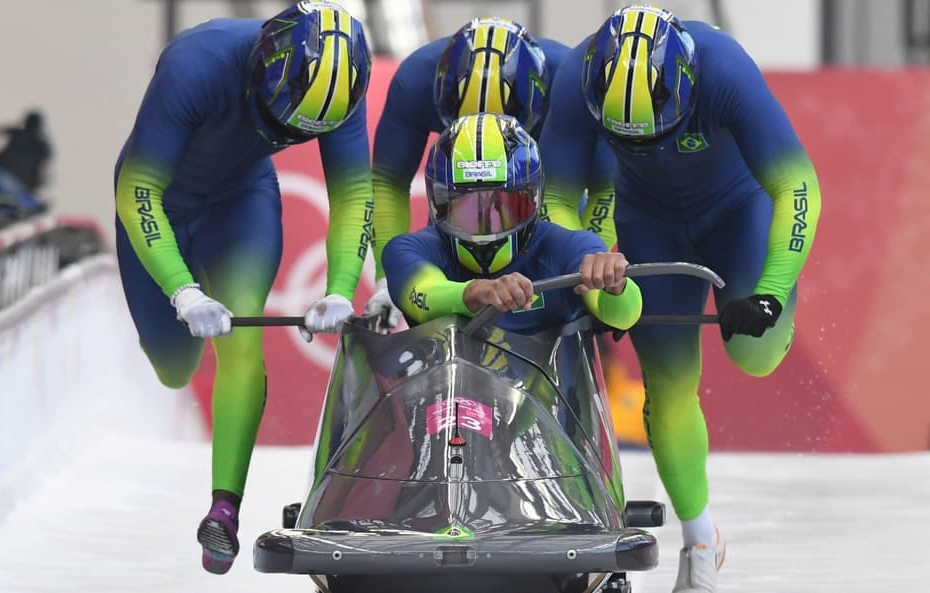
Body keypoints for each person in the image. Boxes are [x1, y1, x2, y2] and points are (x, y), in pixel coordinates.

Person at [536, 5, 822, 592]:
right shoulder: (577, 75)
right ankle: (700, 540)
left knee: (755, 351)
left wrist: (768, 292)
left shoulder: (722, 68)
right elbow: (556, 203)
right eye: (625, 136)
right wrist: (591, 252)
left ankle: (773, 307)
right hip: (646, 219)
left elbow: (796, 184)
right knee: (667, 386)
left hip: (738, 209)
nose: (646, 142)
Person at [113, 1, 372, 574]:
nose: (281, 134)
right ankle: (171, 317)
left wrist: (340, 286)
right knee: (174, 367)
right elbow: (138, 189)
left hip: (241, 203)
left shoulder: (342, 86)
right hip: (158, 202)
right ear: (260, 67)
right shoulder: (195, 65)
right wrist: (182, 289)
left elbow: (354, 194)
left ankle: (224, 509)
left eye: (299, 133)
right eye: (277, 119)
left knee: (242, 339)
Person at [366, 17, 591, 327]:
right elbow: (388, 184)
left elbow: (597, 189)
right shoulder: (415, 81)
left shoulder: (571, 80)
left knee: (571, 270)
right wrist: (387, 282)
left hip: (531, 188)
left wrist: (592, 273)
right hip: (465, 187)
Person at [382, 112, 642, 339]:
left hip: (551, 392)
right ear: (438, 204)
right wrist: (476, 292)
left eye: (502, 206)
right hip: (449, 392)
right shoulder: (408, 250)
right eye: (467, 207)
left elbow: (623, 316)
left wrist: (616, 286)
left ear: (533, 198)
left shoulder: (572, 247)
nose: (485, 223)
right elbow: (422, 293)